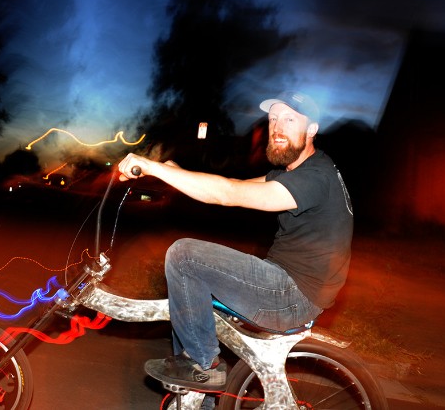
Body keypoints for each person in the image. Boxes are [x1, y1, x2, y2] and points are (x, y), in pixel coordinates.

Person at [117, 91, 353, 400]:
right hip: (288, 285)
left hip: (292, 295)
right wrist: (176, 173)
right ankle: (197, 396)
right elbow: (235, 185)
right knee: (189, 302)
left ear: (311, 130)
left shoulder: (314, 178)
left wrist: (154, 168)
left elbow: (228, 194)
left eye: (290, 119)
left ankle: (203, 366)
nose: (277, 128)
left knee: (184, 257)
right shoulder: (299, 170)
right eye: (273, 119)